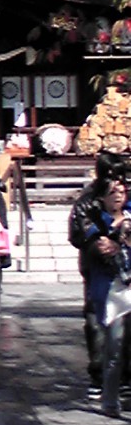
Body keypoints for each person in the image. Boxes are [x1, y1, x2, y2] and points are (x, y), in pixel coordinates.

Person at [69, 152, 128, 399]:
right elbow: (78, 233)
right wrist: (98, 243)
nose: (118, 184)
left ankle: (124, 375)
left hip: (126, 267)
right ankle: (98, 374)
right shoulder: (87, 200)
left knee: (125, 324)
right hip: (98, 270)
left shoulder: (127, 196)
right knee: (98, 323)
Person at [81, 179, 131, 417]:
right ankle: (110, 400)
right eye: (113, 193)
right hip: (113, 292)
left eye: (122, 192)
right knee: (115, 348)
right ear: (103, 197)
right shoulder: (97, 223)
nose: (119, 196)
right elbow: (98, 247)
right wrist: (119, 231)